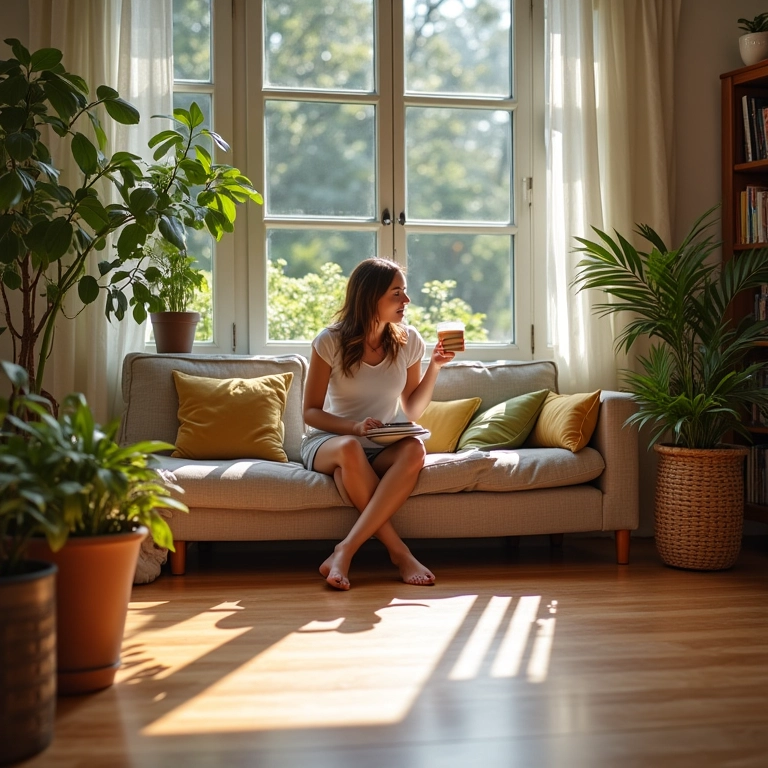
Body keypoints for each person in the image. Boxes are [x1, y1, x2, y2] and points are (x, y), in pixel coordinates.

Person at [301, 257, 456, 590]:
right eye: (396, 293)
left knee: (414, 448)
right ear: (370, 297)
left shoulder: (409, 340)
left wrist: (436, 367)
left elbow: (411, 409)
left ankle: (345, 549)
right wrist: (355, 428)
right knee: (349, 451)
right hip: (330, 441)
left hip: (378, 445)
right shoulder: (329, 341)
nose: (406, 301)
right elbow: (310, 412)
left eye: (404, 292)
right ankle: (399, 553)